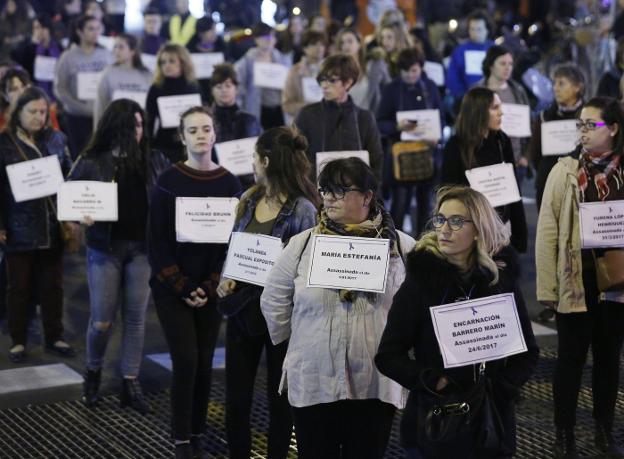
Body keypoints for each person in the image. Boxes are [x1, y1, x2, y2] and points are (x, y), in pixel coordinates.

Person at [260, 157, 415, 459]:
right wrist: (304, 343)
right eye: (325, 189)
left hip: (375, 381)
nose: (329, 197)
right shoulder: (303, 244)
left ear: (368, 196)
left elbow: (417, 308)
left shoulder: (402, 248)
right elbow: (274, 299)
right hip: (315, 378)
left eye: (340, 191)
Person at [375, 185, 539, 459]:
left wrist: (500, 389)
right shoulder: (421, 282)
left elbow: (528, 352)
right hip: (435, 424)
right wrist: (433, 382)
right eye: (440, 220)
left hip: (491, 424)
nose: (444, 229)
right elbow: (388, 355)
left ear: (478, 229)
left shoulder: (500, 282)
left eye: (456, 221)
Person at [216, 126, 318, 459]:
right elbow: (236, 249)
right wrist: (226, 278)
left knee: (280, 400)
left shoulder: (303, 211)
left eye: (254, 157)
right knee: (237, 398)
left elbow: (306, 270)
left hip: (281, 317)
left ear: (266, 160)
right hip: (242, 312)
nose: (252, 164)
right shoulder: (249, 199)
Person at [147, 106, 241, 459]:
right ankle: (181, 436)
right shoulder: (168, 182)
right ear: (182, 137)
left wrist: (212, 283)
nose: (201, 135)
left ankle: (199, 429)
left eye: (206, 129)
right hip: (173, 288)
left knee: (204, 361)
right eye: (193, 130)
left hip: (211, 287)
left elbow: (233, 241)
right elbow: (156, 243)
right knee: (185, 359)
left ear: (215, 134)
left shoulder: (231, 183)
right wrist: (183, 286)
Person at [67, 99, 169, 413]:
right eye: (132, 125)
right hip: (105, 249)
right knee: (101, 321)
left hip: (142, 250)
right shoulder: (92, 159)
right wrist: (78, 217)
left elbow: (168, 199)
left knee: (136, 319)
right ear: (116, 127)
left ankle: (130, 380)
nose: (138, 131)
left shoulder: (154, 159)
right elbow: (69, 199)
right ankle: (93, 371)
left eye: (140, 124)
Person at [536, 96, 624, 459]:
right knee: (570, 363)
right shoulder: (565, 171)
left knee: (608, 361)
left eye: (592, 124)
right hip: (575, 281)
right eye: (581, 125)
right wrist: (547, 287)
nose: (584, 131)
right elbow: (548, 231)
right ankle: (564, 436)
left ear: (614, 129)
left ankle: (604, 433)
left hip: (617, 284)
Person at [0, 87, 75, 363]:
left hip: (51, 225)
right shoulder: (4, 142)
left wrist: (77, 212)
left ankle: (55, 336)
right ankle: (18, 341)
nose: (38, 117)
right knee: (17, 287)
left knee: (52, 286)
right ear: (18, 112)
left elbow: (71, 176)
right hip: (17, 224)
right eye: (32, 111)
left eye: (43, 112)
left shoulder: (57, 139)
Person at [441, 87, 528, 254]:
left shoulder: (502, 140)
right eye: (495, 108)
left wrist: (520, 235)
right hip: (470, 232)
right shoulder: (456, 145)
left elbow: (514, 190)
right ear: (478, 111)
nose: (501, 113)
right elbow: (448, 194)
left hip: (502, 230)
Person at [377, 46, 442, 235]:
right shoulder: (392, 89)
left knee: (426, 205)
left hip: (427, 154)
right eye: (405, 71)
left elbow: (440, 116)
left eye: (414, 70)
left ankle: (424, 245)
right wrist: (397, 126)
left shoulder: (429, 87)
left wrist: (436, 136)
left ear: (421, 67)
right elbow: (380, 122)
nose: (410, 75)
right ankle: (397, 245)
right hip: (402, 158)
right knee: (400, 204)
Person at [294, 53, 384, 180]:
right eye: (322, 79)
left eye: (331, 80)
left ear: (348, 83)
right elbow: (296, 157)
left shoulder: (365, 118)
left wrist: (371, 195)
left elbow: (376, 162)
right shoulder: (307, 115)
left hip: (356, 194)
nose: (324, 85)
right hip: (315, 194)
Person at [53, 14, 113, 159]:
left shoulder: (106, 54)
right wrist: (77, 106)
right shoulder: (67, 57)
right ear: (79, 31)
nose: (95, 33)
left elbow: (111, 83)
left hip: (103, 115)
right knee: (80, 157)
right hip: (76, 117)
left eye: (98, 28)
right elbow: (60, 88)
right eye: (91, 29)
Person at [531, 63, 585, 212]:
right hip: (547, 182)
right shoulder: (543, 117)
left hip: (580, 184)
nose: (555, 88)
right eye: (554, 83)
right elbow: (536, 155)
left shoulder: (591, 116)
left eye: (561, 83)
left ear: (577, 87)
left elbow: (601, 127)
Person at [475, 45, 531, 187]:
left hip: (515, 161)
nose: (508, 68)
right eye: (503, 63)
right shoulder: (477, 91)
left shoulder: (517, 91)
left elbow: (529, 124)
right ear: (491, 66)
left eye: (510, 64)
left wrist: (526, 157)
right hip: (484, 161)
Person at [145, 43, 203, 163]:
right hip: (164, 145)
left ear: (183, 62)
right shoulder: (156, 88)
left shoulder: (194, 87)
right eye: (163, 62)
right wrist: (147, 148)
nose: (167, 65)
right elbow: (149, 121)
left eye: (172, 61)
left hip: (190, 145)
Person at [210, 63, 261, 189]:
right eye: (218, 86)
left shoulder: (250, 120)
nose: (224, 90)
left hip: (248, 185)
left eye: (228, 85)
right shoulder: (206, 121)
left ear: (236, 88)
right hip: (215, 182)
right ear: (212, 90)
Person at [234, 22, 291, 130]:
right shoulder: (247, 61)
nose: (269, 40)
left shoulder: (282, 59)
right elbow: (239, 86)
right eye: (265, 36)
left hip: (279, 109)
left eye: (272, 36)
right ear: (256, 39)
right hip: (257, 109)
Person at [94, 34, 153, 126]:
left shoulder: (147, 75)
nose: (116, 51)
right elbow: (100, 105)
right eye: (115, 47)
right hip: (114, 127)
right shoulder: (108, 73)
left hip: (140, 128)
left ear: (132, 51)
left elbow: (150, 107)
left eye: (121, 47)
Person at [336, 27, 390, 113]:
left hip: (370, 119)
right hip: (345, 121)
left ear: (359, 44)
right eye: (342, 43)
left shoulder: (373, 65)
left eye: (350, 41)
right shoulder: (336, 70)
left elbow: (388, 89)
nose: (345, 46)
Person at [10, 13, 63, 102]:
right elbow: (15, 58)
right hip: (35, 91)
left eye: (42, 27)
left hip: (56, 92)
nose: (39, 31)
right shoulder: (28, 47)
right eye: (36, 28)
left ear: (49, 29)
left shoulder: (58, 47)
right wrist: (33, 44)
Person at [446, 10, 494, 105]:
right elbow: (452, 78)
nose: (475, 33)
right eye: (472, 29)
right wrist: (463, 96)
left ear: (487, 30)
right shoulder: (460, 50)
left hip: (493, 96)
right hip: (467, 98)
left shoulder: (494, 49)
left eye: (479, 29)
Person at [282, 29, 326, 125]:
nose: (320, 48)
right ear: (305, 48)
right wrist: (309, 107)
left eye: (322, 44)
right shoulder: (295, 71)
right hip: (303, 124)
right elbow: (287, 105)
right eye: (314, 44)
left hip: (327, 124)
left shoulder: (332, 70)